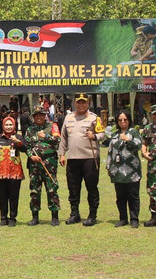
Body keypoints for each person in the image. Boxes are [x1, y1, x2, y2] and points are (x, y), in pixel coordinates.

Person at [58, 93, 105, 226]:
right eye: (79, 102)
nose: (81, 104)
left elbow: (103, 134)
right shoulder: (68, 118)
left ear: (88, 103)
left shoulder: (94, 118)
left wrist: (94, 135)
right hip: (73, 158)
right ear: (75, 103)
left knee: (91, 187)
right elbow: (63, 137)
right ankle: (75, 214)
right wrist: (62, 154)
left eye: (84, 102)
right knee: (73, 188)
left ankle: (92, 215)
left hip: (90, 158)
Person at [0, 116, 27, 227]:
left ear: (14, 126)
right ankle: (3, 218)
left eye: (10, 125)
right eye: (6, 125)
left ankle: (13, 218)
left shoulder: (18, 137)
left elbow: (26, 149)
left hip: (15, 172)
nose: (8, 127)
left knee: (14, 196)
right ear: (3, 125)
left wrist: (19, 143)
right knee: (2, 196)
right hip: (0, 172)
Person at [25, 105, 61, 226]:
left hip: (49, 163)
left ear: (45, 115)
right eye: (36, 115)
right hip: (35, 164)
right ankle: (35, 216)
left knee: (52, 188)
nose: (39, 117)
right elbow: (27, 147)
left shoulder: (52, 127)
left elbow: (58, 141)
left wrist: (46, 136)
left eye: (41, 115)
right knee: (35, 190)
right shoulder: (30, 130)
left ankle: (54, 216)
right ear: (33, 117)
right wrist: (31, 156)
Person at [106, 110, 142, 228]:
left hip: (132, 171)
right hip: (117, 171)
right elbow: (110, 151)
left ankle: (134, 219)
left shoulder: (134, 132)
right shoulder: (114, 135)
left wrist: (128, 140)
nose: (122, 122)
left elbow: (138, 146)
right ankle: (123, 218)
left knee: (133, 195)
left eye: (125, 119)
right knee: (120, 197)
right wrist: (108, 166)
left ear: (129, 120)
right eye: (120, 120)